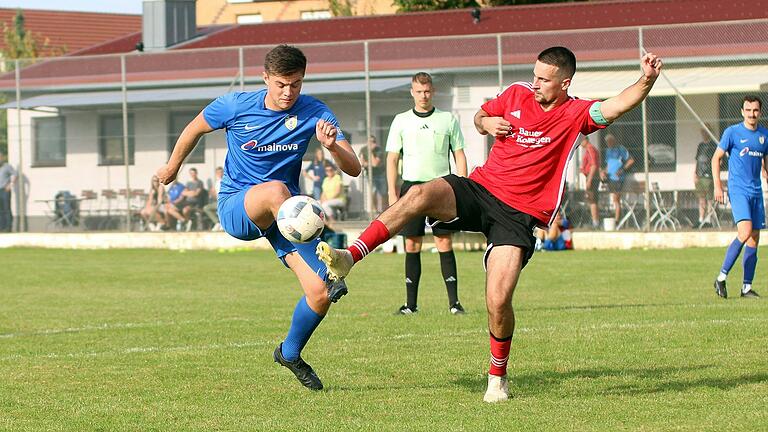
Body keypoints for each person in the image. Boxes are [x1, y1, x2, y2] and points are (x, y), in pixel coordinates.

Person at [316, 46, 662, 402]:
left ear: (564, 83)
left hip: (518, 216)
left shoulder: (576, 113)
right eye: (535, 75)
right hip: (481, 189)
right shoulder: (516, 93)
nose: (535, 83)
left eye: (544, 79)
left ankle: (497, 378)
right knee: (419, 193)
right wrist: (486, 123)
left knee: (498, 300)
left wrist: (647, 79)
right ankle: (351, 256)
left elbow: (618, 104)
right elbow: (482, 116)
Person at [157, 44, 360, 390]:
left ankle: (290, 353)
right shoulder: (234, 105)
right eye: (281, 84)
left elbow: (353, 168)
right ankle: (326, 257)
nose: (288, 92)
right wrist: (172, 166)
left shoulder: (315, 112)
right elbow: (193, 128)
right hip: (239, 207)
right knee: (275, 191)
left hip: (283, 218)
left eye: (296, 84)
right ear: (265, 78)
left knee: (320, 294)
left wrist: (332, 147)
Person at [385, 72, 468, 315]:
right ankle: (411, 305)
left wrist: (461, 186)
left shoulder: (447, 119)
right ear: (412, 92)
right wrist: (392, 193)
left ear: (433, 92)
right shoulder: (401, 120)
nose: (424, 95)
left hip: (442, 188)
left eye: (428, 91)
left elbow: (459, 154)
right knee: (412, 244)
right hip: (411, 189)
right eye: (419, 91)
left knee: (444, 241)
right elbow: (392, 158)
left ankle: (454, 303)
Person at [711, 95, 767, 299]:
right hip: (738, 189)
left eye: (755, 110)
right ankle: (721, 278)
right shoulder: (732, 132)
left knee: (754, 238)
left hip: (756, 191)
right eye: (748, 110)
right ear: (742, 112)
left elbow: (763, 160)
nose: (752, 114)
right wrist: (718, 186)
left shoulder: (764, 135)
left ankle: (746, 288)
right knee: (744, 231)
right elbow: (716, 158)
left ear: (760, 112)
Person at [600, 134, 634, 224]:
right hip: (610, 178)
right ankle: (613, 217)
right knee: (612, 198)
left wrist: (622, 170)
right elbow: (608, 165)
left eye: (610, 141)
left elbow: (631, 160)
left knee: (616, 198)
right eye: (607, 142)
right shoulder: (608, 151)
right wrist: (604, 172)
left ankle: (617, 220)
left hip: (618, 178)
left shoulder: (621, 149)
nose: (609, 143)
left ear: (614, 141)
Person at [694, 126, 718, 227]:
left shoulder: (713, 145)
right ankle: (701, 219)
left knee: (709, 198)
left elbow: (717, 161)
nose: (703, 134)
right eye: (702, 132)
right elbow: (697, 160)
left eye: (705, 132)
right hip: (700, 175)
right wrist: (695, 173)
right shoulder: (700, 146)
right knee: (701, 198)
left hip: (708, 176)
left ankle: (708, 219)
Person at [359, 135, 387, 214]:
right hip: (370, 175)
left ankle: (384, 210)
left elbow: (375, 164)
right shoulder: (363, 150)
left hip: (380, 174)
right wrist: (368, 163)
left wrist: (371, 152)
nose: (371, 143)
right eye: (370, 141)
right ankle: (375, 212)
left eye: (373, 142)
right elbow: (362, 163)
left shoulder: (378, 150)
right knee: (373, 192)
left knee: (383, 193)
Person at [579, 137, 601, 229]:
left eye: (581, 142)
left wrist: (589, 179)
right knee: (591, 199)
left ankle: (596, 222)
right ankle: (594, 220)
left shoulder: (590, 149)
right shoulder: (588, 150)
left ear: (585, 140)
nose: (580, 144)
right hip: (588, 176)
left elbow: (594, 165)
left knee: (592, 200)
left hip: (592, 177)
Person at [0, 151, 17, 232]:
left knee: (6, 208)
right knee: (0, 210)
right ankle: (1, 227)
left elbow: (15, 174)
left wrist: (11, 184)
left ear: (2, 158)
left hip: (4, 190)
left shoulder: (7, 166)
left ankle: (8, 227)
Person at [204, 166, 224, 231]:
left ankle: (222, 224)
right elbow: (215, 193)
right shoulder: (217, 182)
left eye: (221, 172)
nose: (219, 174)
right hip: (218, 202)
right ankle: (217, 223)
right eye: (218, 172)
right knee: (206, 208)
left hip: (224, 202)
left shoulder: (225, 181)